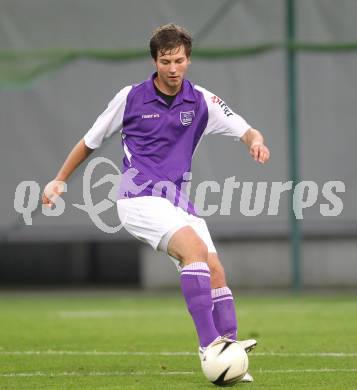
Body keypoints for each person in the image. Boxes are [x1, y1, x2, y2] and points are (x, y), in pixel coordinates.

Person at [42, 24, 270, 383]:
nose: (173, 68)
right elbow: (90, 140)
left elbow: (246, 129)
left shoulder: (202, 102)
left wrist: (255, 142)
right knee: (193, 249)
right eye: (166, 61)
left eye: (179, 60)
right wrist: (59, 179)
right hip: (138, 198)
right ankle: (210, 346)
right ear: (155, 61)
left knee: (215, 271)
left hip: (178, 202)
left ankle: (230, 351)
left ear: (188, 60)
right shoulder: (130, 98)